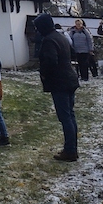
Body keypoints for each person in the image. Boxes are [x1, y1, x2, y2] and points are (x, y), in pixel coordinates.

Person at [34, 13, 80, 162]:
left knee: (65, 117)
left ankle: (70, 151)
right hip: (69, 79)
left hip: (60, 82)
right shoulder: (60, 37)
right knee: (70, 116)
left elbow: (50, 61)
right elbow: (72, 54)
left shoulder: (48, 40)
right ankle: (72, 148)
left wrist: (44, 74)